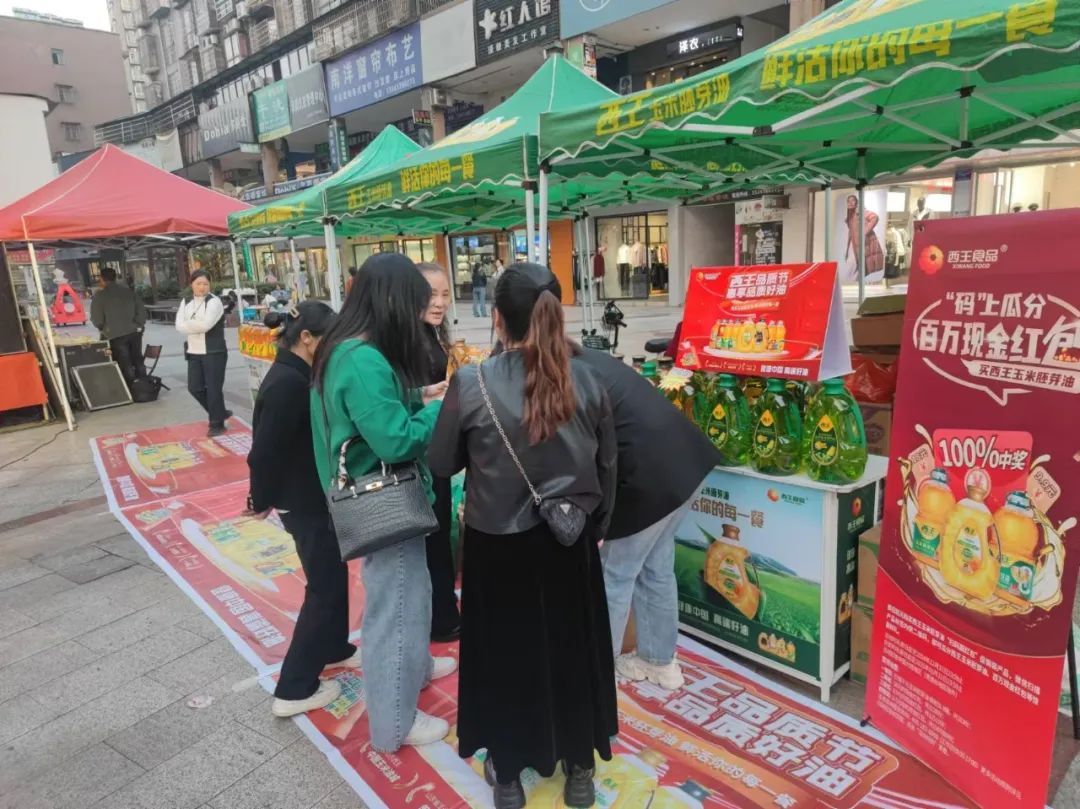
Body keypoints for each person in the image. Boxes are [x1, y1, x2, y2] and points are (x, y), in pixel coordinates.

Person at [429, 263, 618, 809]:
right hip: (569, 543)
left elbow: (441, 462)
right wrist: (592, 528)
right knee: (573, 653)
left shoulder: (472, 382)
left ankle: (508, 775)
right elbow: (608, 469)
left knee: (505, 658)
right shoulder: (590, 379)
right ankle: (579, 770)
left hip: (497, 546)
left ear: (497, 318)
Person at [311, 253, 456, 752]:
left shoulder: (349, 348)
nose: (420, 313)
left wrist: (420, 394)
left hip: (380, 497)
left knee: (412, 597)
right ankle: (394, 723)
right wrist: (438, 410)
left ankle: (415, 670)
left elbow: (372, 412)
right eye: (416, 302)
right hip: (384, 502)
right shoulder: (364, 359)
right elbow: (394, 440)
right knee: (395, 613)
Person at [575, 347, 721, 690]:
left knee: (614, 574)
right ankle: (659, 662)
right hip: (687, 463)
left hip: (647, 478)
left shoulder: (568, 376)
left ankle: (597, 679)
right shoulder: (592, 359)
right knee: (656, 566)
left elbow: (584, 453)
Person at [245, 301, 355, 717]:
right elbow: (263, 452)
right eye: (331, 340)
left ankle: (334, 647)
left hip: (315, 494)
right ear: (307, 338)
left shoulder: (299, 374)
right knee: (323, 587)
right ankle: (294, 688)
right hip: (302, 501)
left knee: (335, 575)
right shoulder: (286, 385)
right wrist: (259, 498)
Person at [417, 263, 462, 642]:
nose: (440, 302)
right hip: (421, 452)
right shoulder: (406, 340)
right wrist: (426, 397)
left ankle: (443, 611)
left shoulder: (433, 333)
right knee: (433, 535)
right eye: (431, 294)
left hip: (437, 446)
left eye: (445, 294)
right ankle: (441, 618)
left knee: (440, 532)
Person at [175, 271, 232, 437]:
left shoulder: (214, 302)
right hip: (194, 350)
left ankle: (216, 424)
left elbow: (206, 325)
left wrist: (188, 324)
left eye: (205, 284)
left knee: (213, 389)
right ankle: (220, 412)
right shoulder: (186, 301)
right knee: (195, 388)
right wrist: (194, 325)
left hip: (214, 351)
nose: (202, 287)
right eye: (198, 283)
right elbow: (178, 326)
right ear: (191, 284)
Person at [90, 267, 147, 389]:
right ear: (115, 277)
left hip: (115, 334)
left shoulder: (100, 296)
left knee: (124, 362)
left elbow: (97, 319)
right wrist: (138, 325)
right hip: (134, 332)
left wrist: (103, 328)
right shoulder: (129, 292)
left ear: (102, 279)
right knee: (137, 359)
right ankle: (144, 385)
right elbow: (142, 311)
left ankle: (131, 388)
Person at [844, 194, 884, 281]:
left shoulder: (861, 212)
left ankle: (853, 284)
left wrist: (864, 231)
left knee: (855, 265)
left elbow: (875, 217)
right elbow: (852, 231)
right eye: (848, 201)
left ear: (856, 202)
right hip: (853, 244)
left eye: (852, 200)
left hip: (862, 243)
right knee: (854, 266)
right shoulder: (851, 214)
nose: (850, 202)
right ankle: (853, 283)